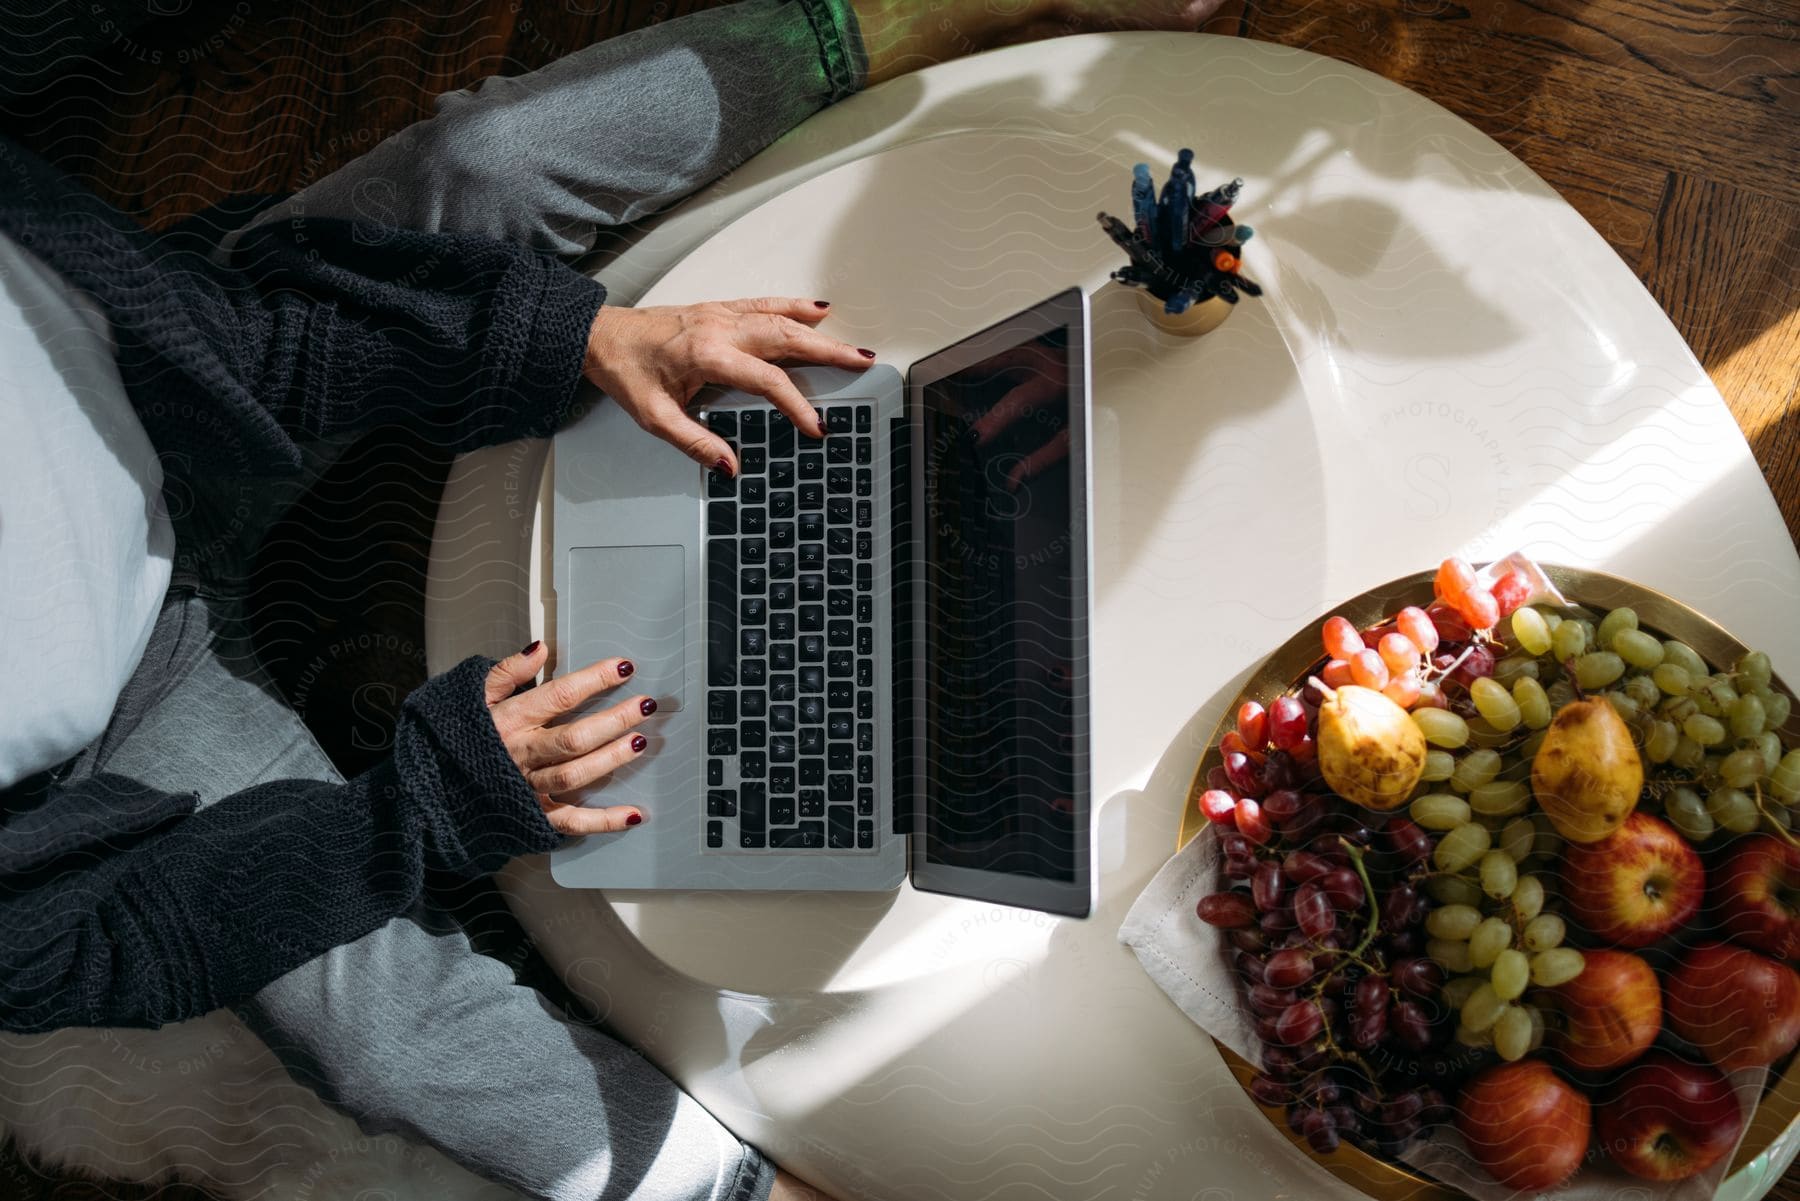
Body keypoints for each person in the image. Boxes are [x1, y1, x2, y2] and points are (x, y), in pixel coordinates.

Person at [0, 1, 1218, 1199]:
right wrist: (422, 810)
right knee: (385, 1037)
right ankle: (741, 1191)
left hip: (194, 409)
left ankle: (943, 9)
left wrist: (575, 341)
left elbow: (248, 344)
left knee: (483, 166)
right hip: (117, 734)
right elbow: (63, 944)